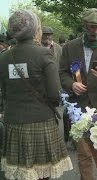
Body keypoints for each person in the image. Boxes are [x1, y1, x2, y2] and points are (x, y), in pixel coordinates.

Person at [0, 9, 73, 180]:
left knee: (19, 173)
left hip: (13, 122)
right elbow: (55, 94)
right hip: (41, 121)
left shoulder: (3, 58)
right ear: (34, 29)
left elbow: (4, 92)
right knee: (42, 173)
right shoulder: (43, 54)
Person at [59, 8, 97, 180]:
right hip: (79, 107)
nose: (95, 31)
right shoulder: (70, 47)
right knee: (84, 154)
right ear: (84, 25)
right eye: (92, 27)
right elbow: (62, 72)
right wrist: (72, 84)